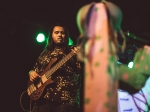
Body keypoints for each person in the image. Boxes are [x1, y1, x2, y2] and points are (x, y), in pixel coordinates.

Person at [76, 1, 150, 112]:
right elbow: (136, 82)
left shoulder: (92, 59)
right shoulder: (102, 60)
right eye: (116, 28)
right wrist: (145, 55)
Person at [28, 23, 82, 112]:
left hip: (65, 99)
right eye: (56, 32)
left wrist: (81, 57)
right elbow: (35, 70)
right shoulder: (45, 54)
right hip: (43, 98)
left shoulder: (72, 50)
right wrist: (31, 73)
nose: (60, 35)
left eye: (62, 33)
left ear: (66, 35)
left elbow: (82, 70)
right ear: (51, 35)